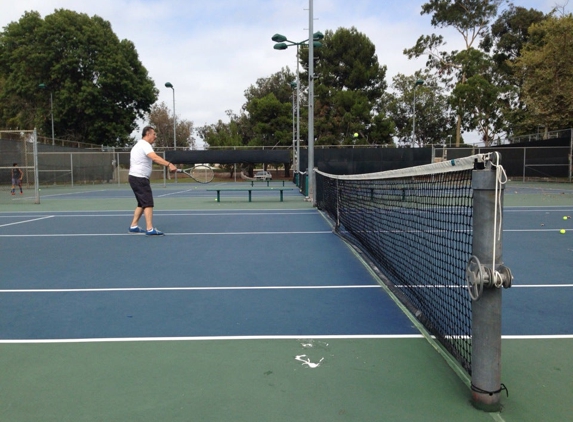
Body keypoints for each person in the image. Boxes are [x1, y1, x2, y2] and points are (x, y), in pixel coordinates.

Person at [128, 126, 177, 235]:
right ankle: (150, 229)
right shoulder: (145, 145)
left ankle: (133, 226)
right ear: (148, 134)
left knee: (141, 202)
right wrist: (169, 164)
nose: (155, 137)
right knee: (148, 203)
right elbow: (154, 157)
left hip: (135, 177)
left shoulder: (138, 145)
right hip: (139, 178)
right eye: (154, 134)